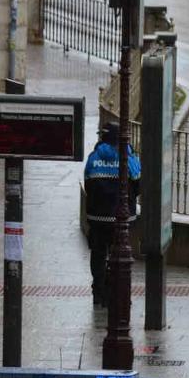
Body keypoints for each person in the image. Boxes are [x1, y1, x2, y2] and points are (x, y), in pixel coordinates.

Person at [83, 122, 140, 308]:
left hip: (98, 218)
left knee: (98, 252)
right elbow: (138, 186)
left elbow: (88, 186)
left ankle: (98, 290)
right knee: (121, 253)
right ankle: (120, 291)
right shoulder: (129, 158)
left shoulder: (93, 158)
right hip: (122, 219)